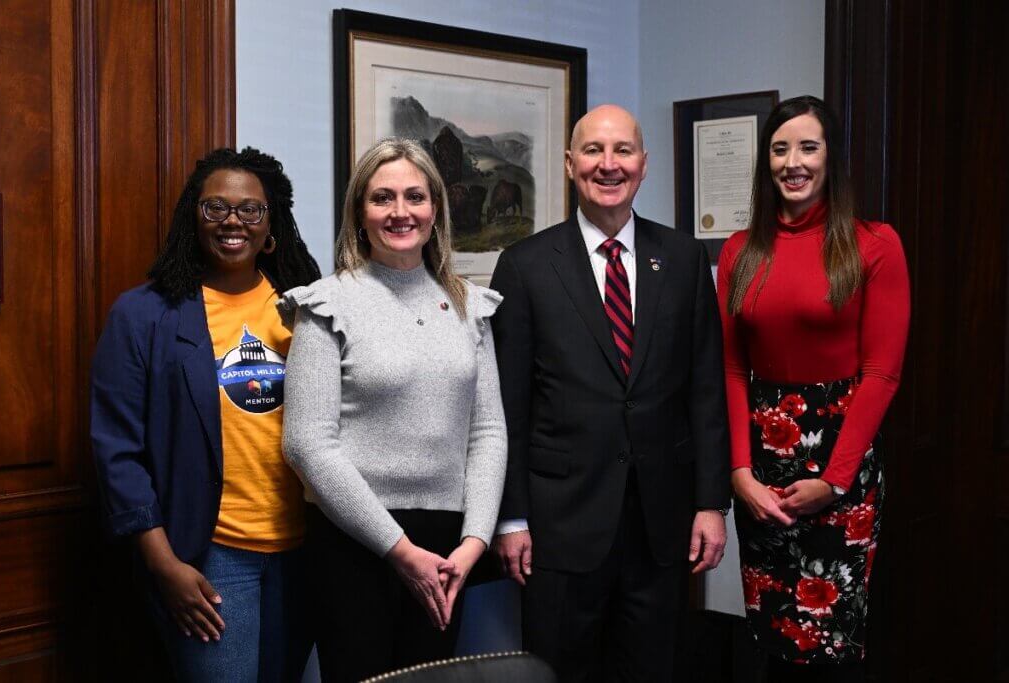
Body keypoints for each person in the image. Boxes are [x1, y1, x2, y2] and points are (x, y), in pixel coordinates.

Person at [489, 104, 731, 682]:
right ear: (571, 165)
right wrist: (511, 518)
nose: (609, 164)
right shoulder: (524, 266)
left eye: (622, 150)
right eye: (594, 151)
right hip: (558, 527)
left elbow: (705, 389)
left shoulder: (684, 259)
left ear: (643, 165)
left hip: (661, 525)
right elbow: (505, 409)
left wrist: (710, 503)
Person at [279, 137, 508, 683]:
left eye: (415, 197)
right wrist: (401, 552)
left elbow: (489, 432)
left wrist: (474, 543)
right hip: (355, 543)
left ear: (436, 210)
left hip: (448, 548)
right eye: (383, 198)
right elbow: (307, 443)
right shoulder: (325, 304)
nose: (400, 212)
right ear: (360, 212)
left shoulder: (469, 305)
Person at [91, 147, 321, 681]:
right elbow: (117, 452)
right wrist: (163, 564)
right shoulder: (143, 315)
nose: (233, 221)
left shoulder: (308, 309)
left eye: (251, 210)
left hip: (304, 552)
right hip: (210, 555)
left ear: (272, 225)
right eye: (215, 207)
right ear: (192, 218)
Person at [717, 96, 910, 683]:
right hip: (763, 475)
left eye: (808, 147)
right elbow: (730, 369)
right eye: (779, 149)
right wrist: (741, 474)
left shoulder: (874, 245)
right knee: (776, 645)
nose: (792, 162)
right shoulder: (738, 251)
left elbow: (882, 373)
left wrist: (834, 479)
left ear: (831, 158)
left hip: (840, 467)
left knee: (832, 648)